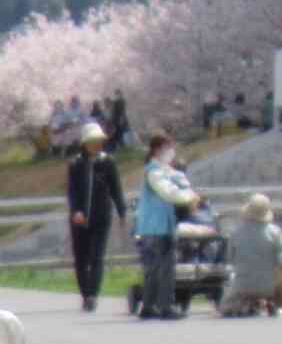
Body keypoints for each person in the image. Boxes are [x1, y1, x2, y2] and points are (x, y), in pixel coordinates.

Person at [135, 131, 201, 318]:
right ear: (157, 150)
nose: (171, 152)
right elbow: (168, 192)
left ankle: (148, 306)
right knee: (165, 268)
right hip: (159, 227)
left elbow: (178, 179)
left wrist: (188, 190)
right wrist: (189, 198)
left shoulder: (160, 171)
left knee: (152, 269)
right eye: (168, 148)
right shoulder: (155, 172)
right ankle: (165, 306)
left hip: (150, 227)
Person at [66, 119, 127, 312]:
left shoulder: (107, 162)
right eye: (92, 140)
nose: (97, 144)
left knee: (97, 256)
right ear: (84, 143)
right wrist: (76, 210)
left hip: (101, 215)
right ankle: (85, 294)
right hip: (79, 218)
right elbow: (72, 190)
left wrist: (122, 211)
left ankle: (93, 295)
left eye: (99, 140)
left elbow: (116, 188)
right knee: (81, 258)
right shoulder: (75, 163)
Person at [224, 192, 282, 316]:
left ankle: (240, 305)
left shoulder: (236, 232)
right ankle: (276, 303)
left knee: (226, 306)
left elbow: (230, 258)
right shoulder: (275, 232)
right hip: (269, 287)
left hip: (242, 286)